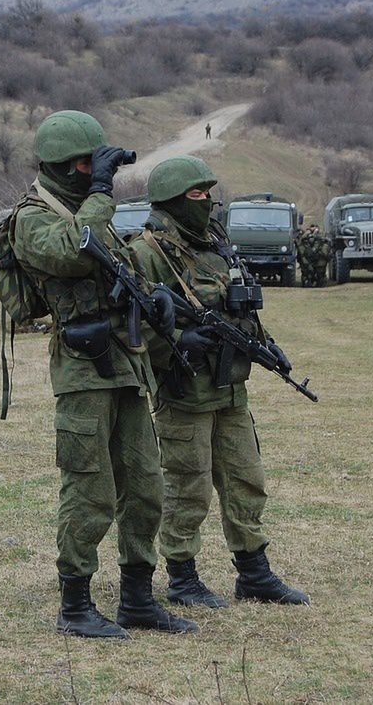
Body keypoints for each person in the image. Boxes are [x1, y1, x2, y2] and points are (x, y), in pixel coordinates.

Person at [12, 110, 196, 639]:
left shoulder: (91, 212)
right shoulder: (33, 218)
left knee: (144, 487)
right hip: (82, 370)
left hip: (126, 365)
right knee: (89, 489)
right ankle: (76, 606)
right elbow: (76, 250)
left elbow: (118, 263)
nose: (96, 172)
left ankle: (138, 599)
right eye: (86, 165)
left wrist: (156, 296)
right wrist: (100, 189)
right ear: (63, 166)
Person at [129, 155, 310, 609]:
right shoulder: (147, 253)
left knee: (246, 480)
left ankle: (253, 573)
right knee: (187, 486)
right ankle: (182, 578)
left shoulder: (216, 243)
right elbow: (134, 324)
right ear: (172, 201)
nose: (206, 202)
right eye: (196, 195)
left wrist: (265, 344)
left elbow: (239, 306)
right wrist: (178, 339)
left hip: (230, 386)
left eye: (208, 193)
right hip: (184, 391)